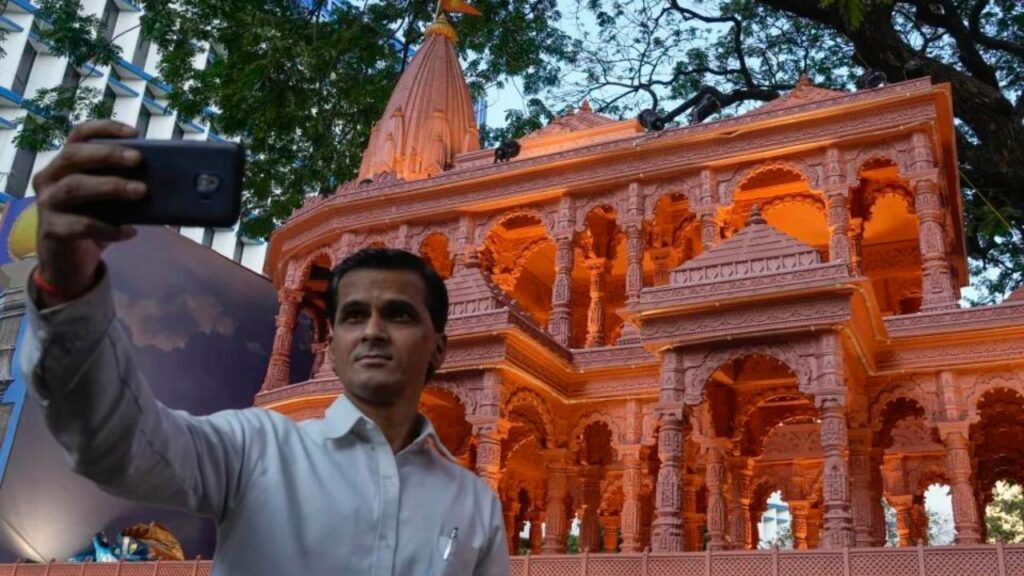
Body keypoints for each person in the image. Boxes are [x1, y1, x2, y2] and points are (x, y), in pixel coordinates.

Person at [19, 120, 511, 575]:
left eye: (399, 314)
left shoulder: (470, 502)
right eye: (354, 315)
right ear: (331, 346)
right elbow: (117, 447)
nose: (373, 331)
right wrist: (68, 290)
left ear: (439, 348)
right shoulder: (256, 447)